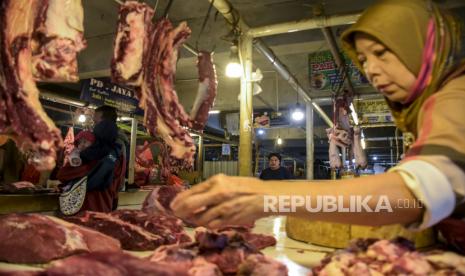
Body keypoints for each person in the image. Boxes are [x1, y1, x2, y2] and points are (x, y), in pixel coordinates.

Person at [171, 0, 465, 250]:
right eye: (363, 59)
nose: (372, 70)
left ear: (421, 44)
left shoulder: (458, 93)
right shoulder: (430, 106)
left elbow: (408, 199)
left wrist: (265, 198)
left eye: (382, 53)